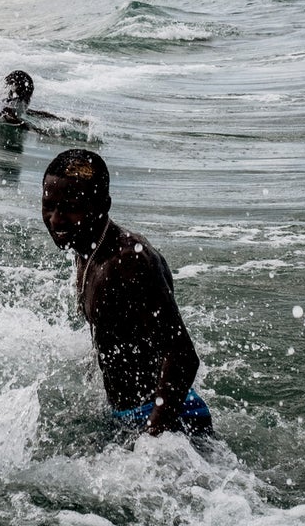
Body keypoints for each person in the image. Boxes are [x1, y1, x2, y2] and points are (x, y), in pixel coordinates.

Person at [41, 149, 212, 436]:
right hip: (133, 415)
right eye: (49, 205)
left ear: (103, 205)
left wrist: (153, 438)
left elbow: (182, 356)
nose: (56, 220)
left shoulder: (128, 261)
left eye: (70, 207)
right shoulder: (85, 246)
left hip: (170, 419)